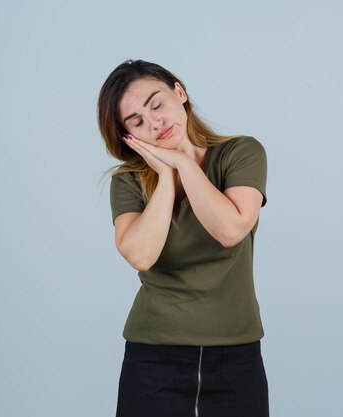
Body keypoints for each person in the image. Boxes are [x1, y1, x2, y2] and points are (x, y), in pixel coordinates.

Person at [97, 59, 270, 417]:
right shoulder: (128, 180)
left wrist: (186, 163)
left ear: (180, 91)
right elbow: (141, 255)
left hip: (236, 355)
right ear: (128, 136)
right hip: (153, 357)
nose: (154, 123)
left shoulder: (240, 153)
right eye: (136, 121)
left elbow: (230, 229)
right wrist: (163, 175)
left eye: (156, 104)